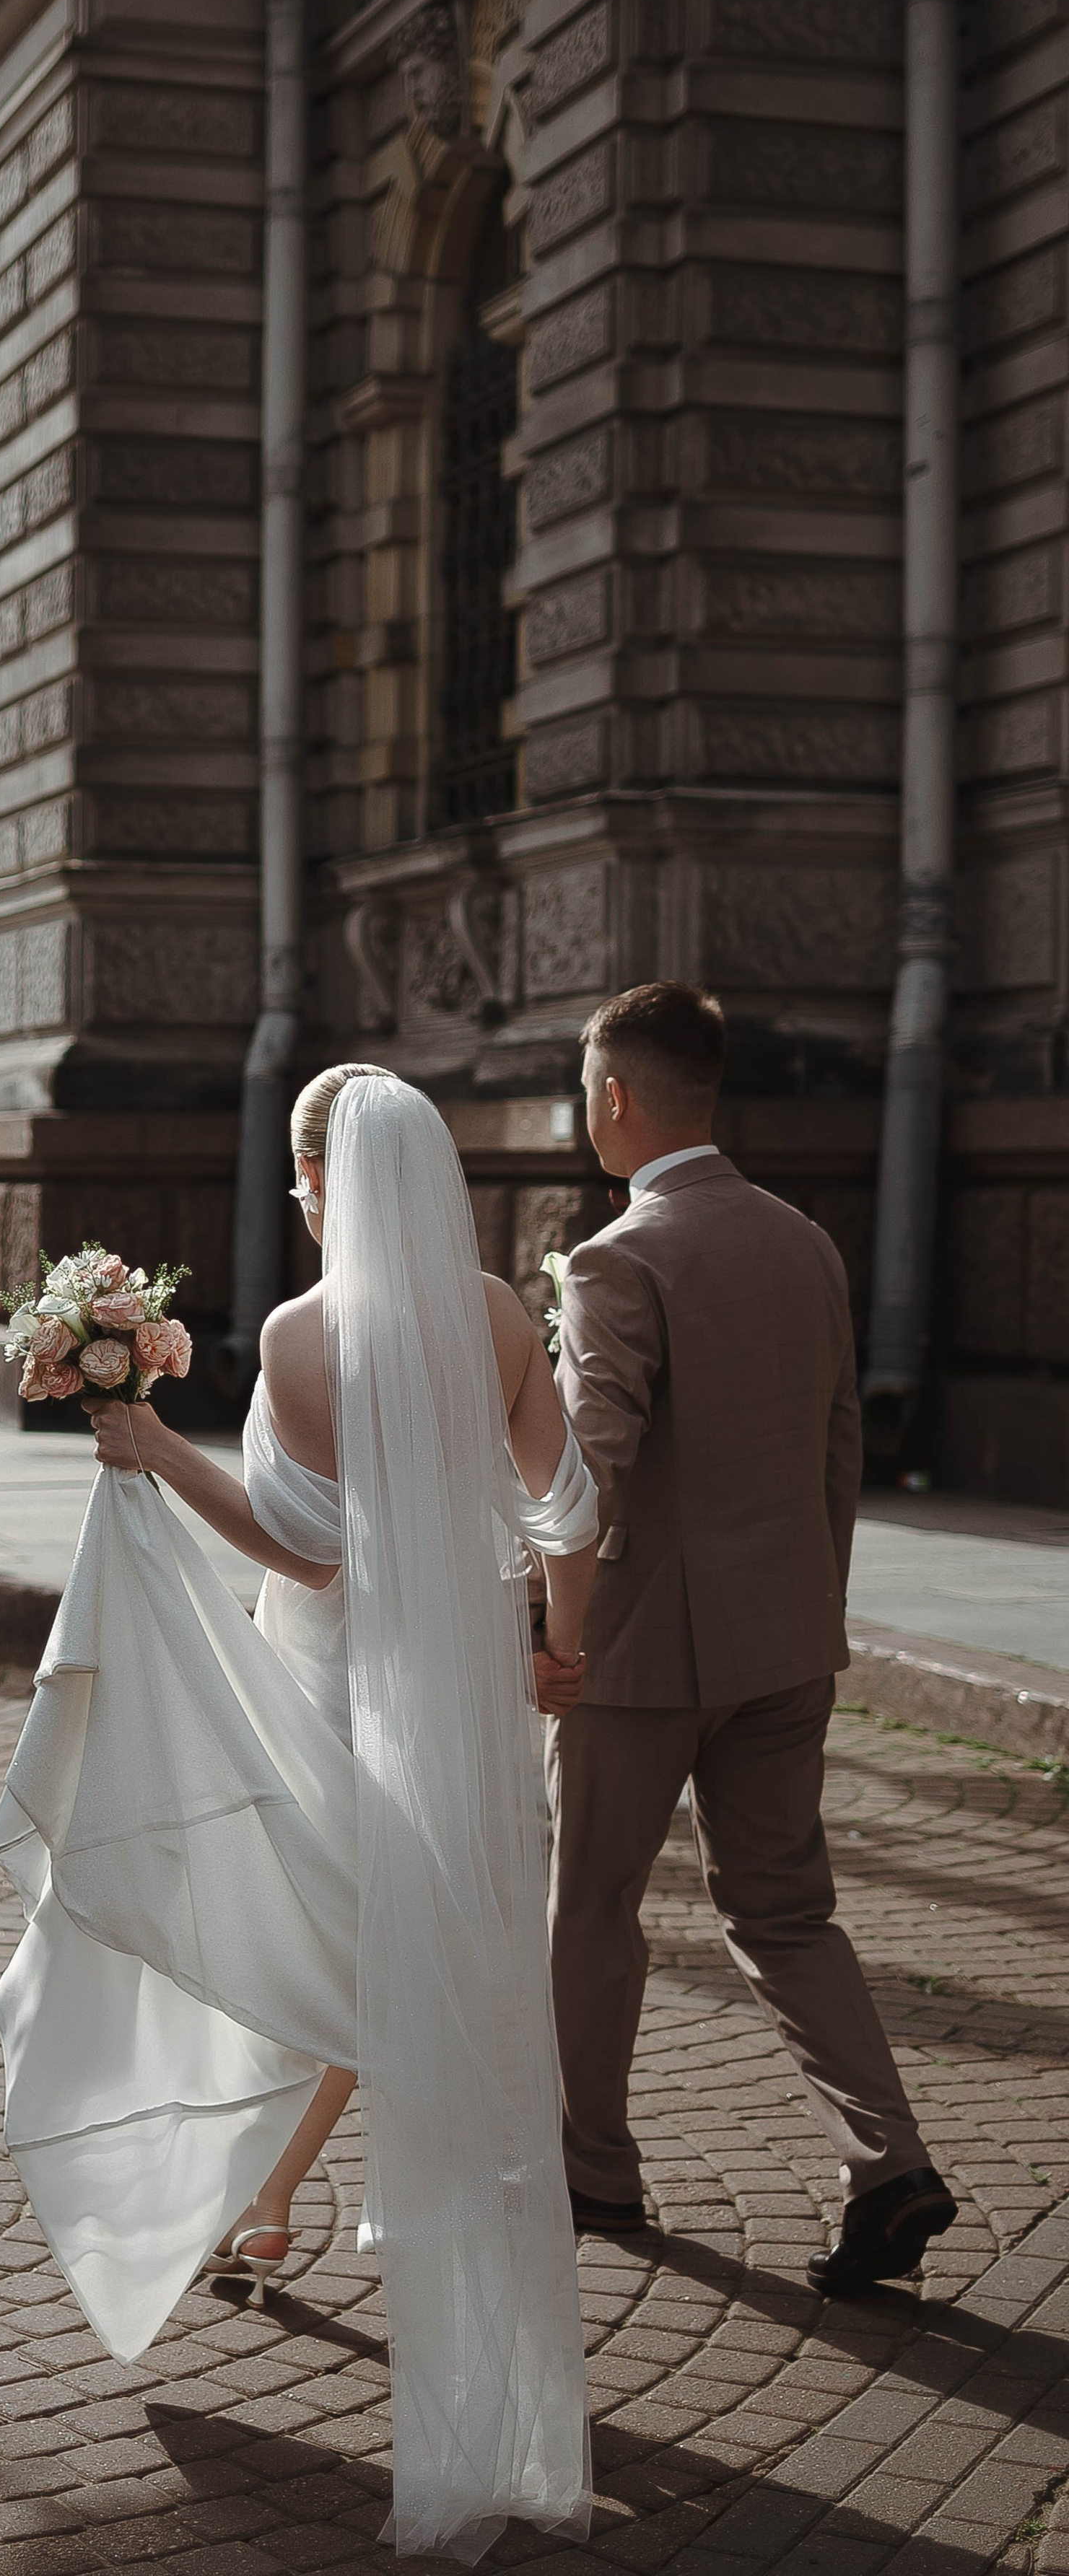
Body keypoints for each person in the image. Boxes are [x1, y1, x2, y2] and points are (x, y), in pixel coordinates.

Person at [0, 1066, 598, 2561]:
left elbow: (303, 1554)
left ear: (329, 1176)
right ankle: (306, 2230)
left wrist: (150, 1449)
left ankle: (238, 2191)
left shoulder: (299, 1336)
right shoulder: (505, 1318)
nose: (296, 1196)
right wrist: (548, 1643)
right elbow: (569, 1504)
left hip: (328, 1690)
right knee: (422, 1980)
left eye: (299, 1174)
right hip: (451, 1711)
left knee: (290, 1949)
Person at [547, 980, 957, 2294]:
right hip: (787, 1636)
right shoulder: (806, 1242)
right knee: (786, 1913)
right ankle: (889, 2160)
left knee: (596, 1901)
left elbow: (586, 1472)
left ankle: (597, 2170)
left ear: (614, 1097)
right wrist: (808, 1606)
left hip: (640, 1657)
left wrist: (539, 1626)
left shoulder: (621, 1258)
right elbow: (840, 1448)